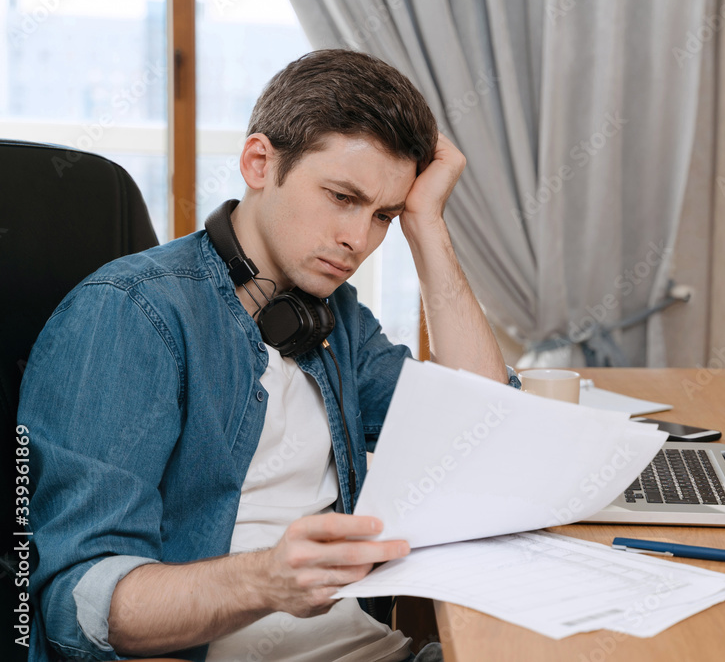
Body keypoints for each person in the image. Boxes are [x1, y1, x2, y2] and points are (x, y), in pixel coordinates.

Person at [20, 49, 517, 662]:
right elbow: (77, 605)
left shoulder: (337, 318)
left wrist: (429, 227)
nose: (358, 241)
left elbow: (488, 434)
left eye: (383, 214)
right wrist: (265, 579)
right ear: (259, 162)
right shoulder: (131, 314)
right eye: (341, 197)